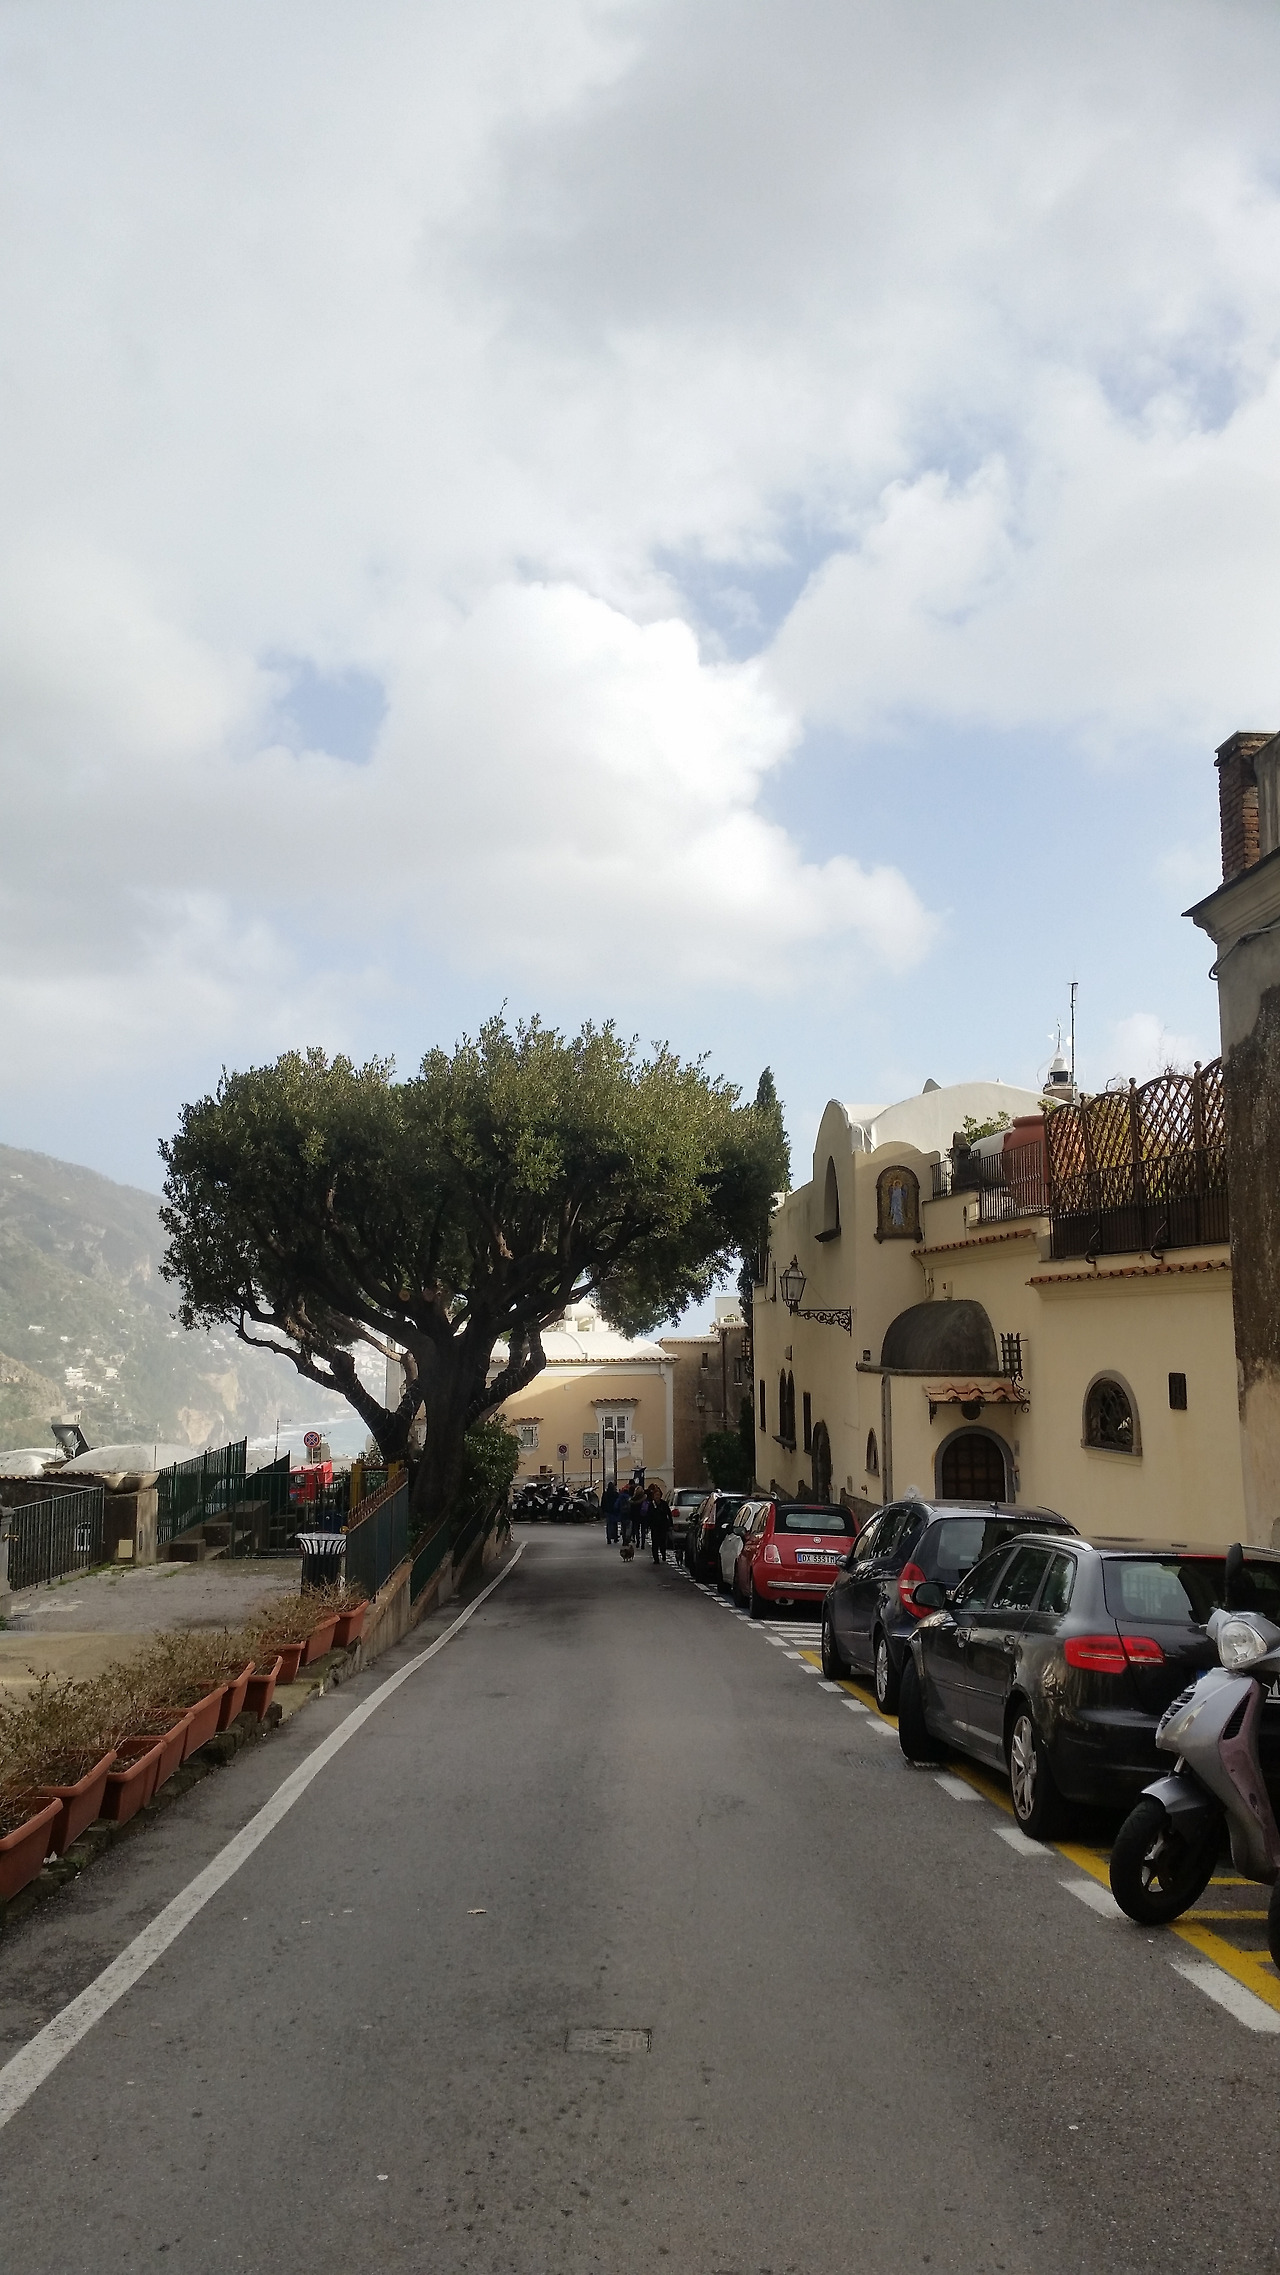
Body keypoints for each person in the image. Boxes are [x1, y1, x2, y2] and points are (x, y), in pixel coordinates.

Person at [646, 1481, 672, 1564]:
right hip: (654, 1526)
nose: (657, 1497)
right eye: (655, 1495)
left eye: (658, 1495)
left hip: (663, 1526)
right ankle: (656, 1558)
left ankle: (663, 1554)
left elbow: (669, 1514)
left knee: (662, 1542)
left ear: (660, 1495)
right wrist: (648, 1525)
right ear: (653, 1496)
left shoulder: (664, 1504)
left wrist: (670, 1524)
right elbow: (648, 1515)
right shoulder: (651, 1504)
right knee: (655, 1543)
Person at [603, 1477, 619, 1545]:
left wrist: (603, 1510)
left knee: (609, 1524)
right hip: (614, 1511)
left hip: (608, 1511)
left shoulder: (605, 1494)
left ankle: (608, 1538)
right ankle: (615, 1537)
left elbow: (603, 1503)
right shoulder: (615, 1494)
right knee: (615, 1524)